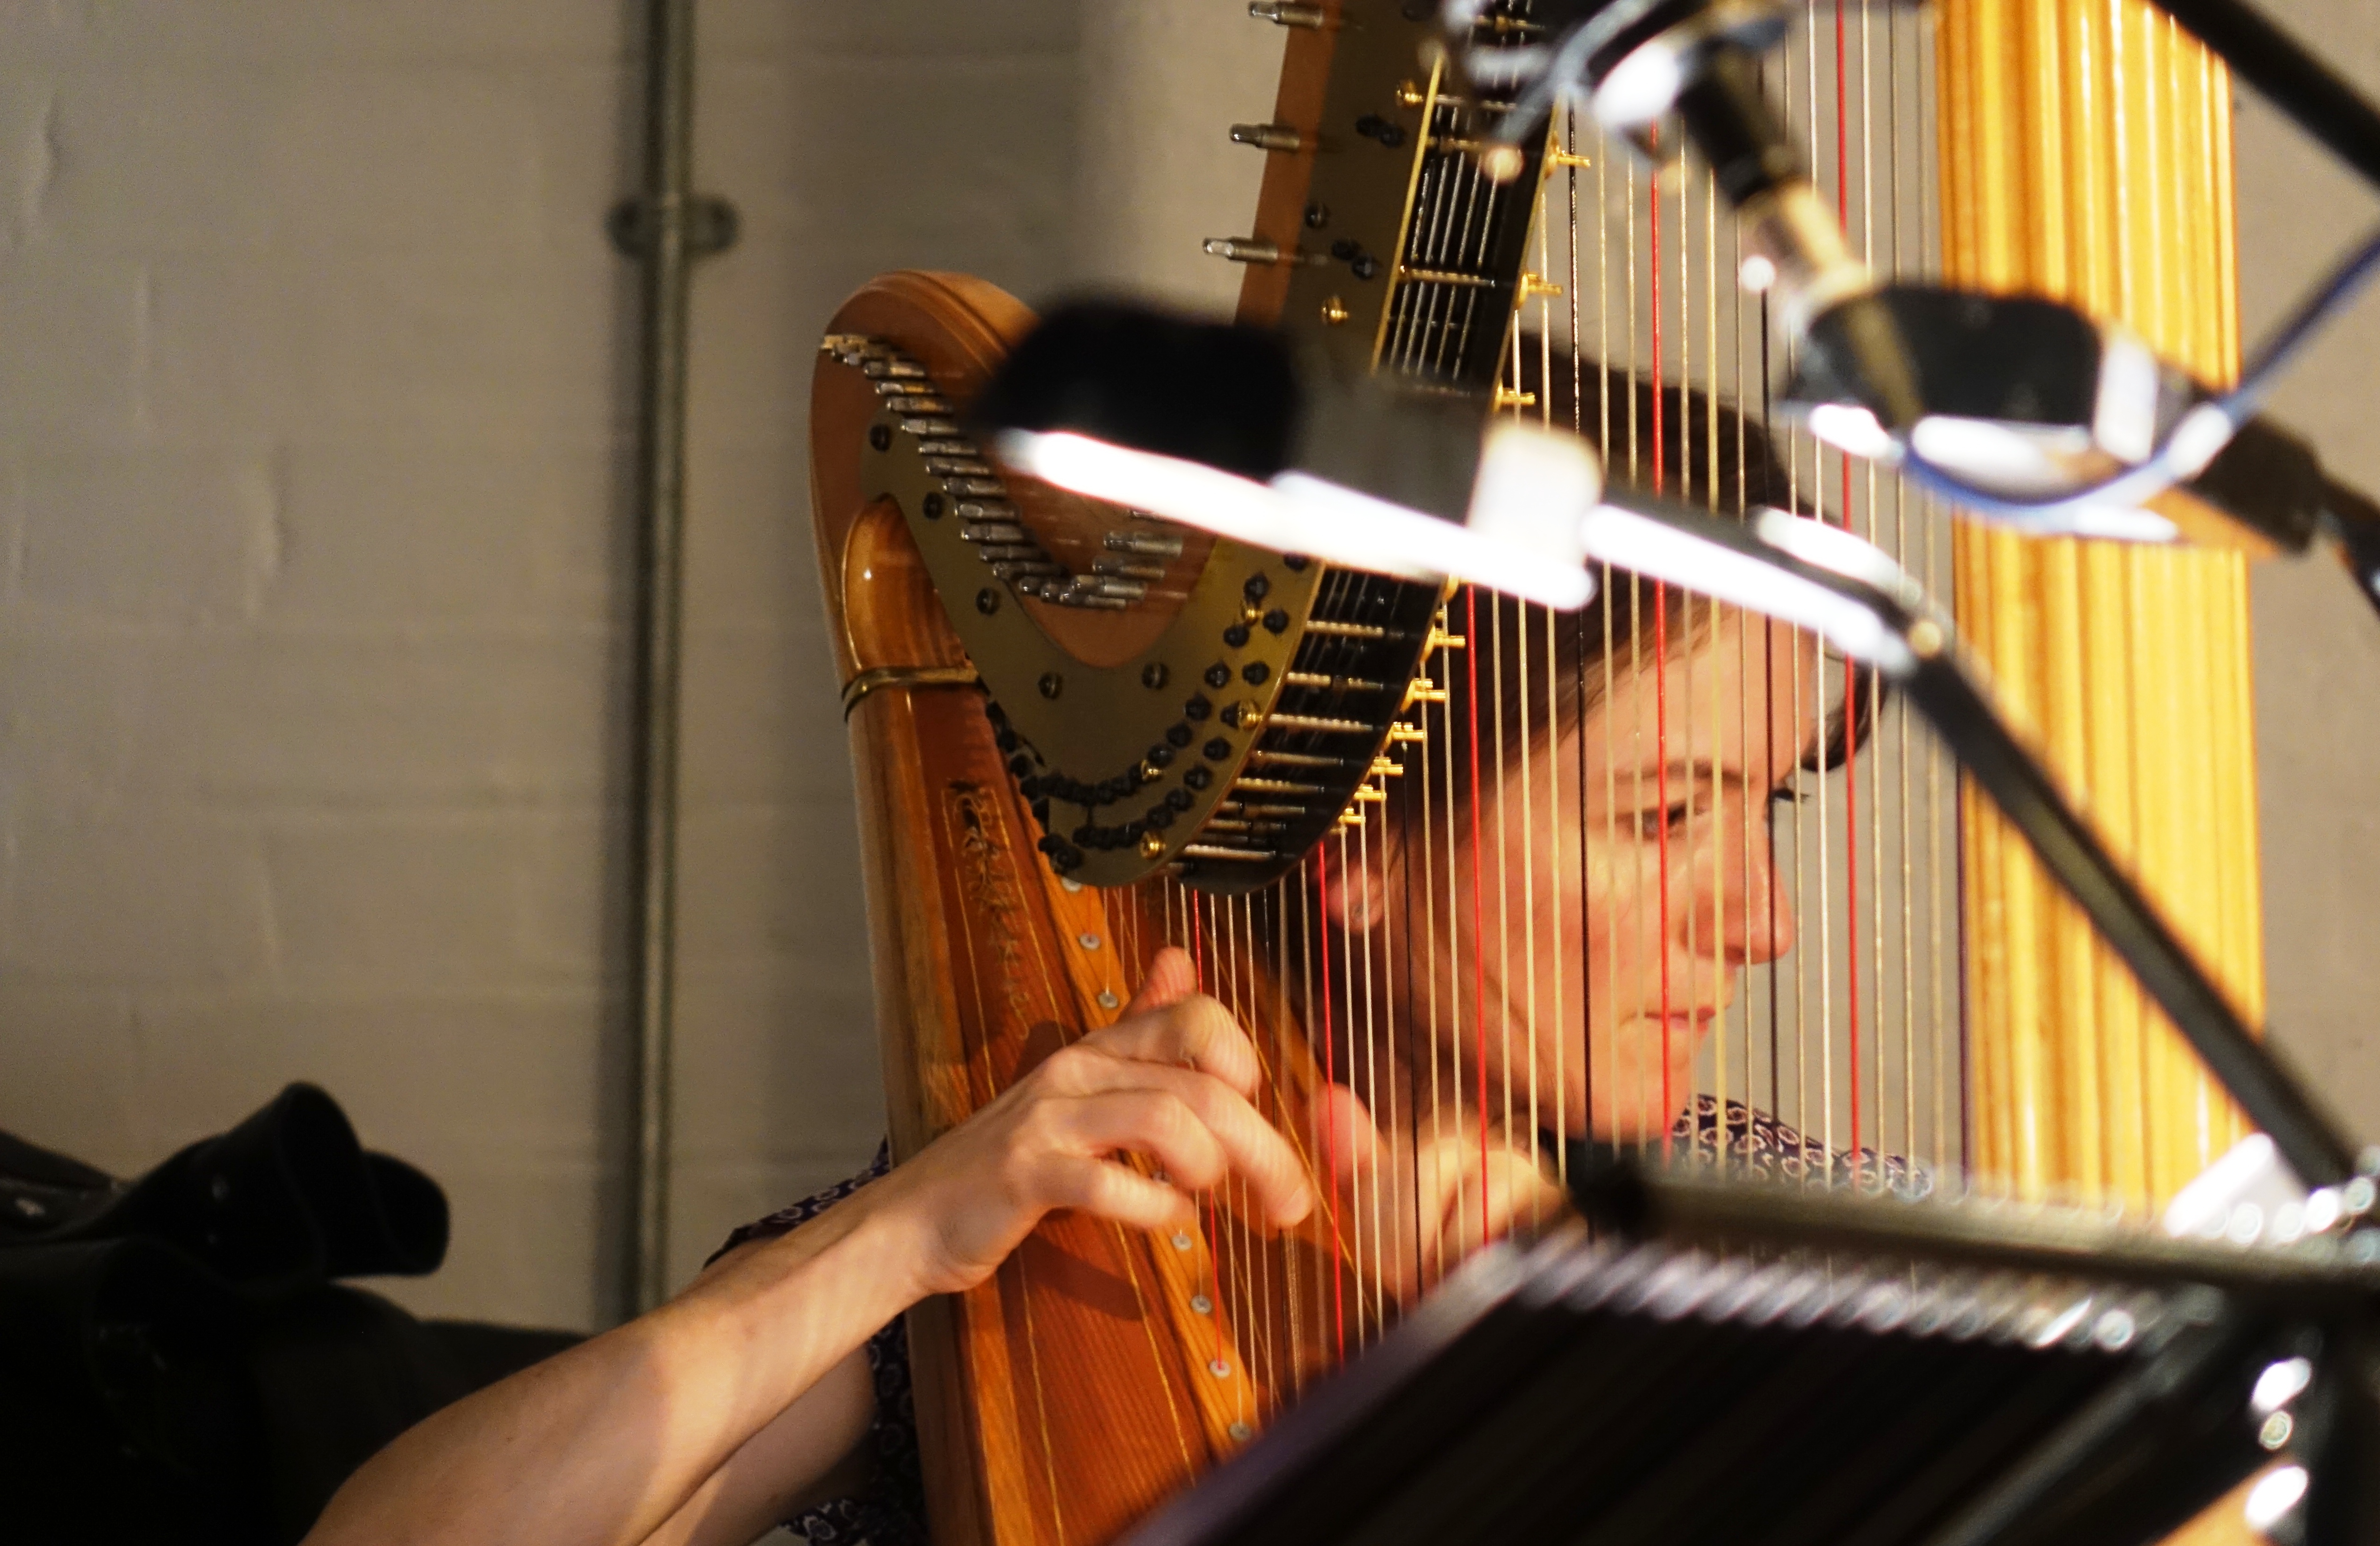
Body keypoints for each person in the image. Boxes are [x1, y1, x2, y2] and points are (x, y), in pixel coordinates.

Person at [303, 373, 1880, 1546]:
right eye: (1667, 811)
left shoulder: (1801, 1249)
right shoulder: (1076, 1208)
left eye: (1770, 804)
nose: (1759, 918)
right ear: (1358, 843)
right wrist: (905, 1227)